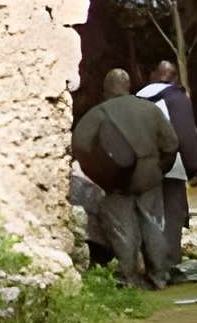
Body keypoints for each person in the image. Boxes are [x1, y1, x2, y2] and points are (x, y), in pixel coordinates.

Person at [73, 67, 179, 289]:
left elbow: (80, 145)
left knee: (123, 228)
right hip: (150, 175)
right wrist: (159, 168)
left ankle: (129, 277)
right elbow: (171, 144)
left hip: (115, 180)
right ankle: (159, 275)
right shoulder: (150, 110)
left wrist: (99, 172)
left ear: (106, 89)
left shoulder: (98, 113)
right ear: (128, 86)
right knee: (153, 224)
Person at [141, 60, 197, 279]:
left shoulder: (138, 97)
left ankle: (149, 261)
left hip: (143, 166)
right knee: (173, 214)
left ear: (153, 75)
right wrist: (194, 167)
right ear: (174, 77)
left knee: (148, 213)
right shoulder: (177, 98)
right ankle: (169, 263)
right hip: (172, 165)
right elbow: (186, 135)